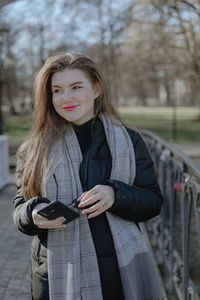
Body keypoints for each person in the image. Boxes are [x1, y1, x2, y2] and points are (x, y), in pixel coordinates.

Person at [13, 52, 164, 300]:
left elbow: (153, 201)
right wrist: (32, 214)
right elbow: (19, 206)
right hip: (54, 275)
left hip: (118, 274)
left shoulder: (129, 141)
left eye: (75, 87)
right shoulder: (35, 148)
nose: (66, 98)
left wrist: (116, 194)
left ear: (96, 89)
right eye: (57, 90)